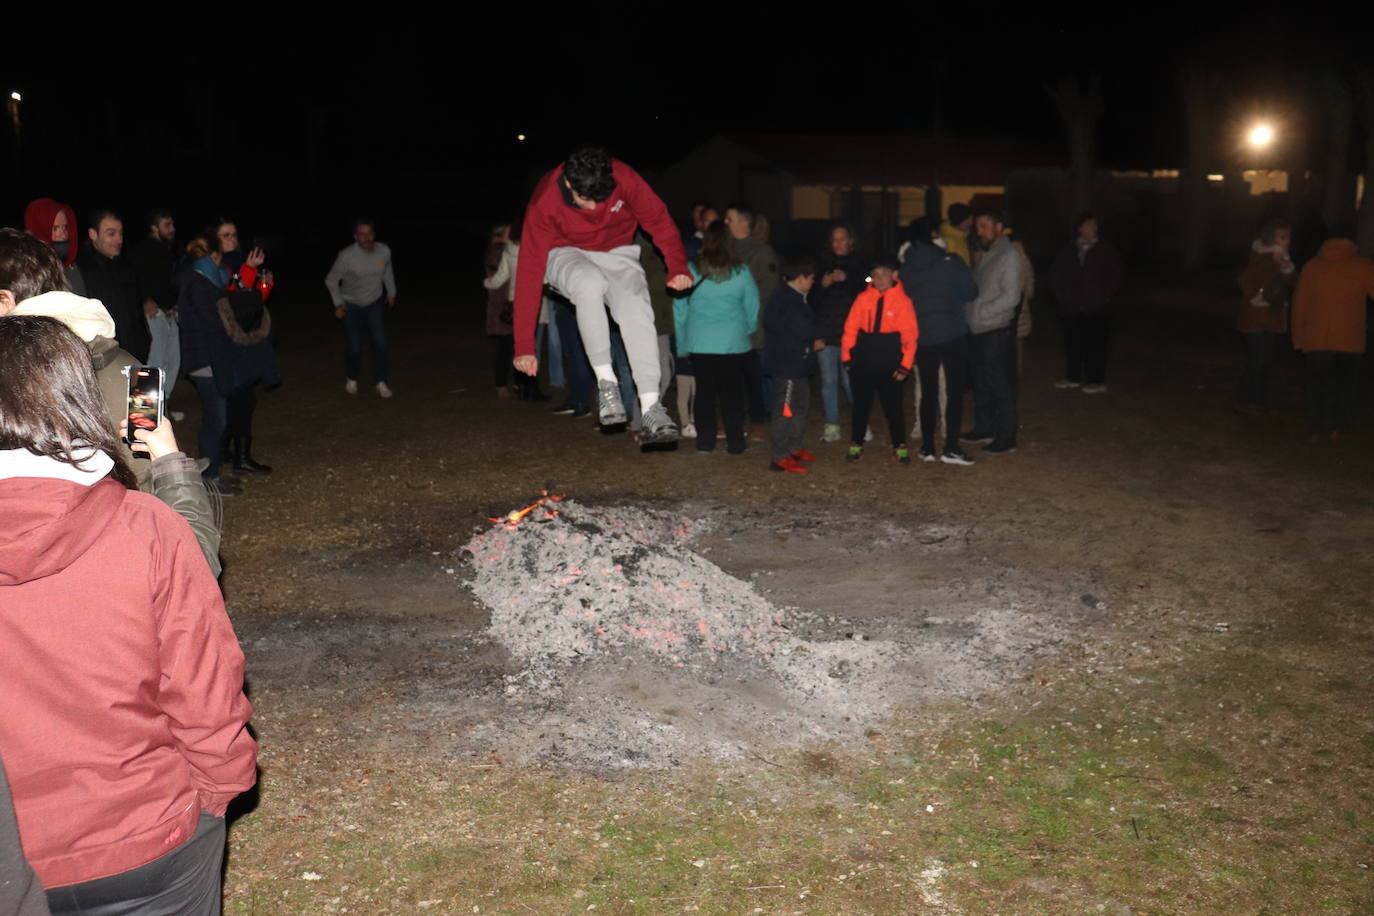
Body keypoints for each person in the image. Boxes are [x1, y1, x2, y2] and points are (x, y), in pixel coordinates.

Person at [0, 315, 256, 915]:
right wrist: (216, 798)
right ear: (78, 397)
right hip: (148, 843)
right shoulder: (144, 530)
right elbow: (207, 689)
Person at [0, 228, 222, 575]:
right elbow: (153, 476)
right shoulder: (133, 369)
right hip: (133, 562)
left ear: (5, 302)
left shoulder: (13, 383)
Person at [511, 145, 690, 447]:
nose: (594, 208)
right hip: (563, 253)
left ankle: (650, 406)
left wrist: (677, 266)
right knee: (589, 282)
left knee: (637, 306)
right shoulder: (545, 201)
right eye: (585, 199)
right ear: (569, 183)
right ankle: (607, 385)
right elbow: (529, 271)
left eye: (600, 199)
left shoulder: (624, 178)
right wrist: (524, 345)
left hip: (617, 252)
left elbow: (657, 219)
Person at [179, 230, 276, 490]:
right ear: (213, 255)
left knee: (218, 415)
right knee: (217, 417)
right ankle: (209, 476)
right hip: (203, 357)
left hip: (210, 356)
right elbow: (215, 320)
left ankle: (212, 473)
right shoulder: (199, 281)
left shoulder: (207, 279)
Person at [674, 220, 759, 454]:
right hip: (733, 342)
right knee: (732, 394)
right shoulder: (741, 271)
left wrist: (682, 344)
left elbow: (680, 309)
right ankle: (735, 442)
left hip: (700, 342)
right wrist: (747, 329)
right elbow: (752, 305)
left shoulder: (692, 270)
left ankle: (706, 441)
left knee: (704, 393)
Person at [900, 220, 978, 464]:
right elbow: (970, 292)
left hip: (923, 336)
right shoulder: (951, 262)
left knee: (928, 391)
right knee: (953, 392)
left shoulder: (906, 269)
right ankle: (951, 447)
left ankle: (927, 447)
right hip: (952, 334)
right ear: (934, 236)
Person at [1289, 235, 1374, 440]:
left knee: (1317, 384)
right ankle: (1336, 426)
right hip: (1349, 338)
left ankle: (1315, 427)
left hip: (1316, 337)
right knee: (1343, 385)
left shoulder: (1312, 266)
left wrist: (1298, 336)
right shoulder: (1363, 266)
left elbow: (1299, 303)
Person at [841, 255, 918, 462]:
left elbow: (910, 337)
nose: (880, 279)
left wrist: (905, 366)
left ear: (894, 275)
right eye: (875, 275)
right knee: (860, 407)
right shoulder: (862, 299)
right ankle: (856, 443)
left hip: (890, 363)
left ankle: (899, 445)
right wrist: (847, 358)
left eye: (884, 274)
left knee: (893, 408)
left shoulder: (903, 302)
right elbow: (850, 329)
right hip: (864, 361)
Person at [962, 210, 1025, 455]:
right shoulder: (990, 254)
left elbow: (1011, 296)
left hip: (995, 330)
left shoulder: (1009, 255)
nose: (980, 231)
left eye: (985, 226)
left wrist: (980, 311)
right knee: (981, 382)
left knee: (1000, 384)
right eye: (978, 226)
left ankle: (1006, 436)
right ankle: (984, 427)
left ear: (999, 227)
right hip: (979, 328)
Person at [1049, 211, 1124, 393]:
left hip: (1097, 308)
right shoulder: (1069, 250)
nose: (1093, 228)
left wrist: (1103, 297)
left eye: (1095, 225)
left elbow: (1116, 277)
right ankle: (1073, 377)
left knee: (1096, 344)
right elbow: (1057, 275)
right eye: (1089, 225)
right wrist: (1063, 296)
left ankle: (1096, 380)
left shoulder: (1105, 250)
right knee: (1073, 343)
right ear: (1079, 228)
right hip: (1072, 307)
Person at [326, 218, 396, 398]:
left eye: (369, 233)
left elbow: (387, 271)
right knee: (354, 347)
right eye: (362, 234)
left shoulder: (384, 251)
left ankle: (380, 381)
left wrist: (392, 292)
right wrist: (338, 303)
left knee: (380, 343)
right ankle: (352, 377)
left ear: (374, 235)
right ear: (355, 236)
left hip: (374, 303)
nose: (366, 237)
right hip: (351, 304)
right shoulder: (347, 256)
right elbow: (331, 280)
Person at [725, 204, 779, 434]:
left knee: (756, 374)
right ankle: (740, 417)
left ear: (743, 222)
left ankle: (761, 416)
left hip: (752, 325)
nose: (726, 223)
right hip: (727, 324)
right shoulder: (725, 250)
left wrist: (750, 319)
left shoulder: (761, 252)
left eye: (730, 218)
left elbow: (767, 290)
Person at [764, 252, 820, 473]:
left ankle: (794, 447)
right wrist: (812, 340)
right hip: (787, 366)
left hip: (798, 366)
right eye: (812, 278)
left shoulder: (794, 297)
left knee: (800, 406)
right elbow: (792, 330)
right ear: (801, 277)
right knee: (785, 410)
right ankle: (779, 456)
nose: (813, 282)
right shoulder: (785, 299)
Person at [1234, 218, 1295, 415]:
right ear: (1271, 238)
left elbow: (1293, 281)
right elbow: (1245, 280)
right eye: (1282, 237)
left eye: (1288, 237)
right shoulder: (1261, 257)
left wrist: (1286, 268)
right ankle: (1248, 400)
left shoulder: (1282, 258)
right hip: (1255, 317)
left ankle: (1256, 400)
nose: (1286, 241)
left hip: (1271, 317)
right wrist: (1256, 297)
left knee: (1264, 360)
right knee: (1258, 360)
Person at [813, 223, 866, 441]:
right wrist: (823, 284)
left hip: (851, 333)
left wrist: (848, 281)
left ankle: (861, 422)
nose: (838, 243)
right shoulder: (820, 265)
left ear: (851, 241)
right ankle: (832, 423)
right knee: (828, 381)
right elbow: (812, 301)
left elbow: (866, 296)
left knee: (850, 381)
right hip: (826, 332)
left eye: (842, 239)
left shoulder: (860, 266)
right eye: (834, 239)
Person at [76, 209, 149, 363]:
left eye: (120, 234)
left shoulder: (126, 267)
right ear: (93, 234)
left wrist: (144, 340)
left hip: (134, 355)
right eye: (111, 234)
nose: (118, 240)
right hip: (105, 360)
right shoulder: (81, 271)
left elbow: (136, 313)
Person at [131, 208, 182, 405]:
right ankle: (143, 412)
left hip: (170, 312)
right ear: (154, 228)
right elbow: (133, 278)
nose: (172, 229)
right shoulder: (143, 250)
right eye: (167, 225)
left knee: (172, 362)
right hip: (154, 315)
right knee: (153, 365)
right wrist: (144, 300)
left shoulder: (168, 249)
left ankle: (162, 408)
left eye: (172, 224)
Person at [22, 198, 84, 295]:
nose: (63, 235)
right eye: (55, 228)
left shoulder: (71, 266)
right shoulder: (28, 268)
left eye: (65, 228)